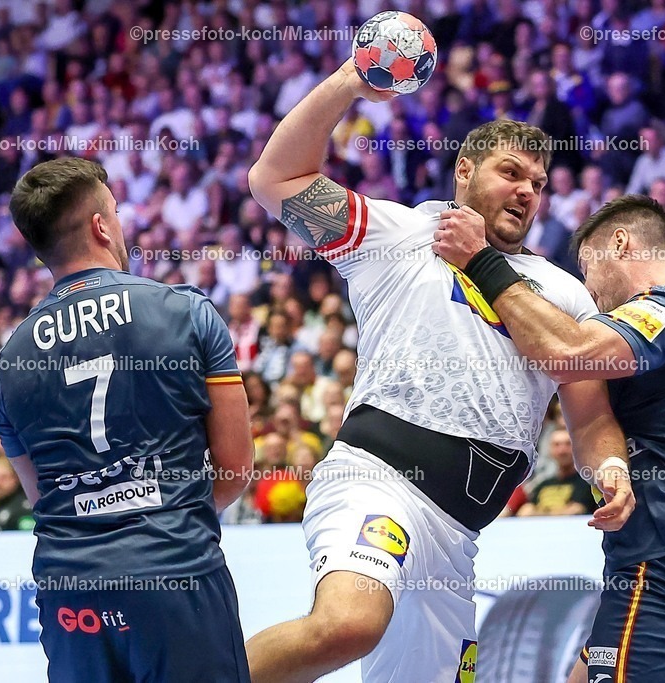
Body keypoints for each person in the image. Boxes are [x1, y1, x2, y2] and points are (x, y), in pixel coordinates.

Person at [245, 59, 634, 683]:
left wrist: (609, 466)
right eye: (511, 172)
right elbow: (274, 178)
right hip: (378, 481)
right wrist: (349, 83)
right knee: (349, 624)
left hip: (456, 537)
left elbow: (589, 416)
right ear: (465, 171)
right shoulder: (399, 232)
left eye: (538, 183)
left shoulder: (562, 292)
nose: (527, 191)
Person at [433, 194, 665, 683]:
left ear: (620, 244)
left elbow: (569, 350)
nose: (589, 289)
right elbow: (592, 417)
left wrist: (482, 260)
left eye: (588, 269)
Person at [0, 157, 254, 683]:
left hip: (70, 591)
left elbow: (44, 498)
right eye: (115, 210)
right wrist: (165, 511)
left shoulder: (10, 361)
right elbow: (234, 468)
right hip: (174, 571)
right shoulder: (186, 313)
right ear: (101, 226)